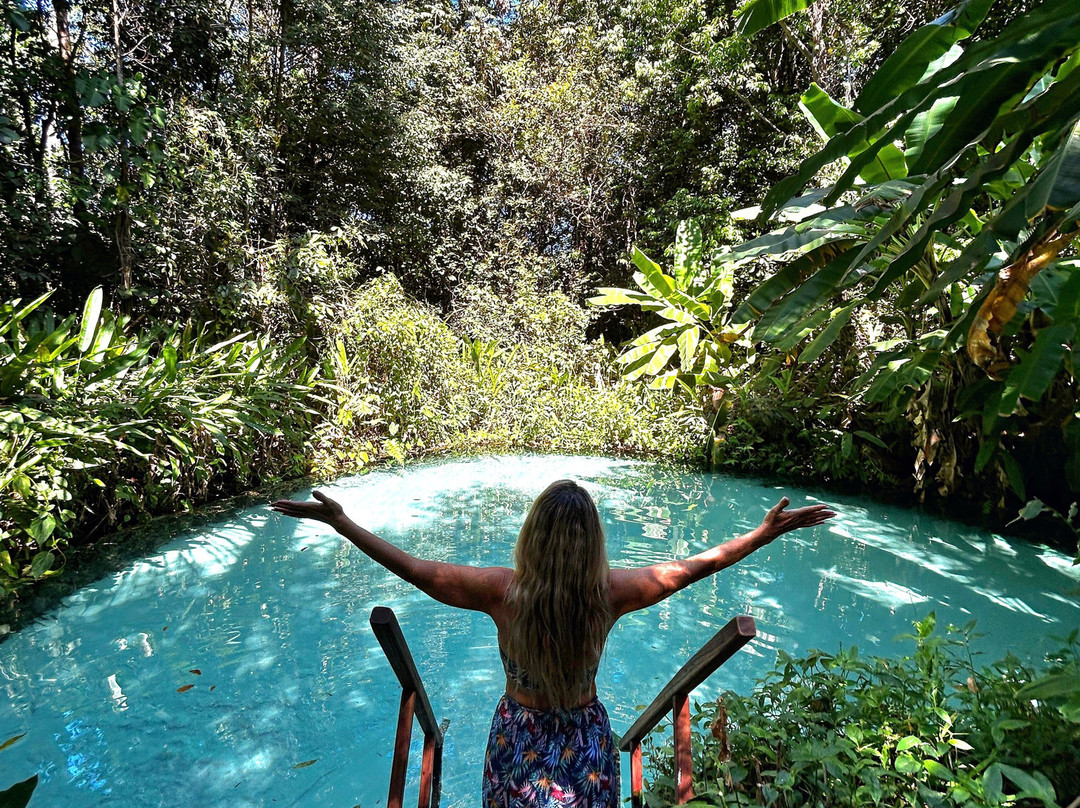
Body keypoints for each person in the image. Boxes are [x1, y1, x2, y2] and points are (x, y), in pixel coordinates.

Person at [270, 480, 834, 807]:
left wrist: (341, 523)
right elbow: (692, 568)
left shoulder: (501, 592)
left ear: (532, 535)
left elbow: (416, 569)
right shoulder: (609, 593)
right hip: (584, 738)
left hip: (517, 738)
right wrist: (761, 534)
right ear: (594, 544)